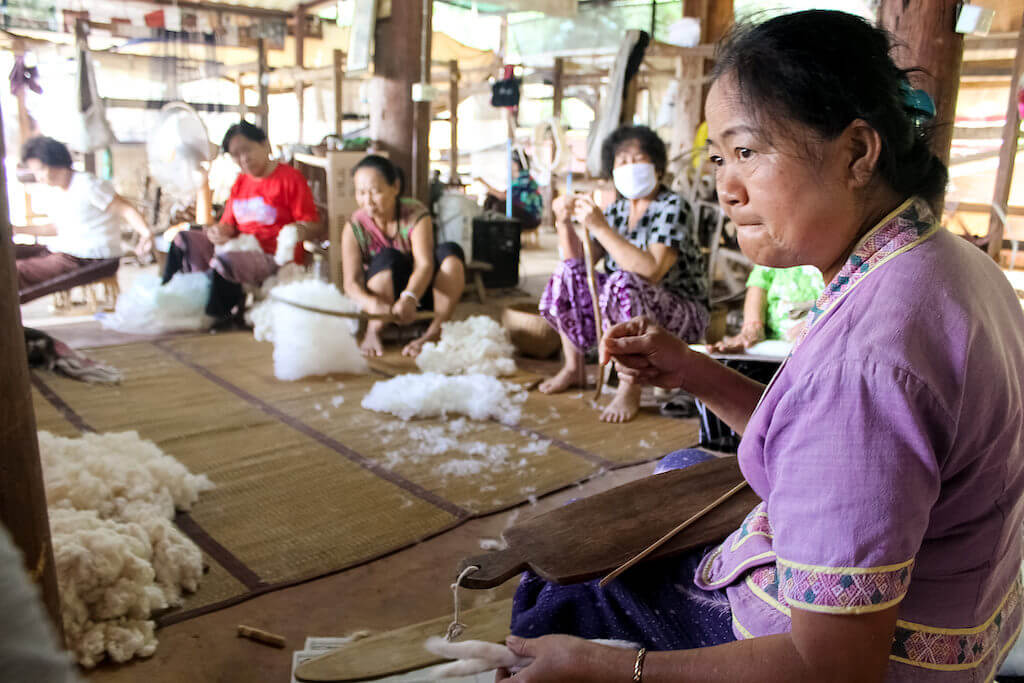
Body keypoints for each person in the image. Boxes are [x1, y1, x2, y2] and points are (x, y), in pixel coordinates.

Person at [497, 11, 1024, 683]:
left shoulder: (867, 360)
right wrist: (694, 370)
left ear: (858, 153)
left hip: (879, 658)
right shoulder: (946, 261)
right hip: (968, 614)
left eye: (747, 151)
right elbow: (821, 438)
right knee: (686, 465)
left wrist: (605, 663)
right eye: (719, 157)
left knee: (556, 605)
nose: (726, 186)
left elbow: (831, 665)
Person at [538, 125, 708, 423]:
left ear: (655, 165)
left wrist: (600, 228)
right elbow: (579, 263)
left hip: (682, 315)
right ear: (612, 171)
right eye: (622, 161)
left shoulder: (672, 206)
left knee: (624, 281)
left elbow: (650, 271)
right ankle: (573, 366)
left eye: (637, 159)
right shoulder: (616, 211)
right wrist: (563, 222)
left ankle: (631, 384)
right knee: (567, 271)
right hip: (627, 312)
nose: (629, 167)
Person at [160, 120, 321, 328]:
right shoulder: (241, 182)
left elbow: (312, 224)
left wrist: (295, 232)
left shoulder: (290, 179)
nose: (243, 158)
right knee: (183, 239)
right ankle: (165, 298)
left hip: (271, 256)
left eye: (247, 150)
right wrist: (219, 231)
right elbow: (229, 224)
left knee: (226, 260)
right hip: (238, 246)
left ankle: (217, 316)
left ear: (265, 145)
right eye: (235, 154)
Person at [340, 154, 466, 357]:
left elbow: (424, 265)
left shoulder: (415, 214)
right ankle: (374, 331)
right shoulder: (354, 226)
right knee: (387, 258)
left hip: (421, 297)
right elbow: (350, 284)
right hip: (385, 303)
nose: (368, 201)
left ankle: (434, 332)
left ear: (395, 187)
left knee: (450, 254)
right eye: (361, 193)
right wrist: (372, 304)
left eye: (375, 191)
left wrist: (409, 296)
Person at [13, 136, 154, 293]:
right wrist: (15, 229)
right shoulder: (55, 192)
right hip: (65, 251)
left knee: (16, 272)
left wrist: (146, 234)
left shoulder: (87, 184)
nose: (38, 177)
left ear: (56, 162)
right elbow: (56, 228)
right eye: (35, 172)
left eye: (40, 170)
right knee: (10, 251)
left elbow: (125, 209)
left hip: (93, 258)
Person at [711, 265, 824, 353]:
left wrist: (819, 323)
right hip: (773, 345)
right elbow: (759, 283)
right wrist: (752, 328)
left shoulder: (836, 252)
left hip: (821, 341)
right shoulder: (776, 251)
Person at [478, 150, 543, 231]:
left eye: (511, 163)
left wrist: (483, 182)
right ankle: (485, 229)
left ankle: (492, 232)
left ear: (516, 165)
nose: (509, 166)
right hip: (527, 215)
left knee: (498, 207)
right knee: (491, 199)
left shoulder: (523, 179)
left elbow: (503, 196)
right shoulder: (521, 179)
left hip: (531, 219)